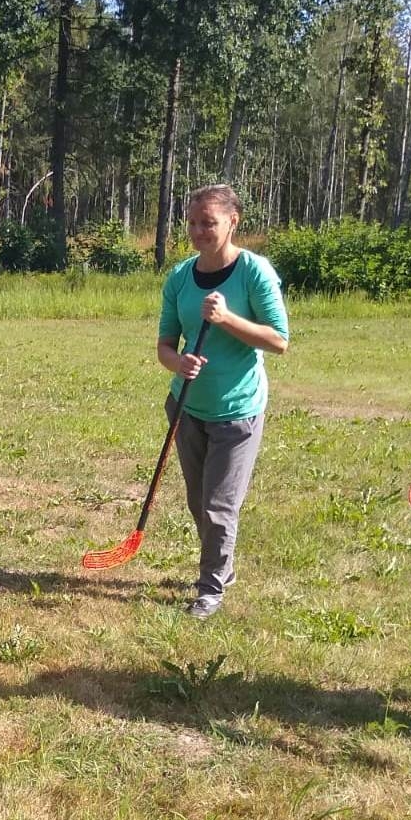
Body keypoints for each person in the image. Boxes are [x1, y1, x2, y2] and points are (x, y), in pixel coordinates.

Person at [157, 183, 289, 619]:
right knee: (199, 502)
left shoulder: (254, 272)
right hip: (187, 406)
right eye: (192, 222)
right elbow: (164, 345)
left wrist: (228, 318)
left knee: (218, 507)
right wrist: (178, 364)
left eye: (208, 222)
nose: (197, 230)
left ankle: (210, 586)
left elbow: (278, 340)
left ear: (233, 222)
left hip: (237, 410)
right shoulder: (179, 277)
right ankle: (223, 565)